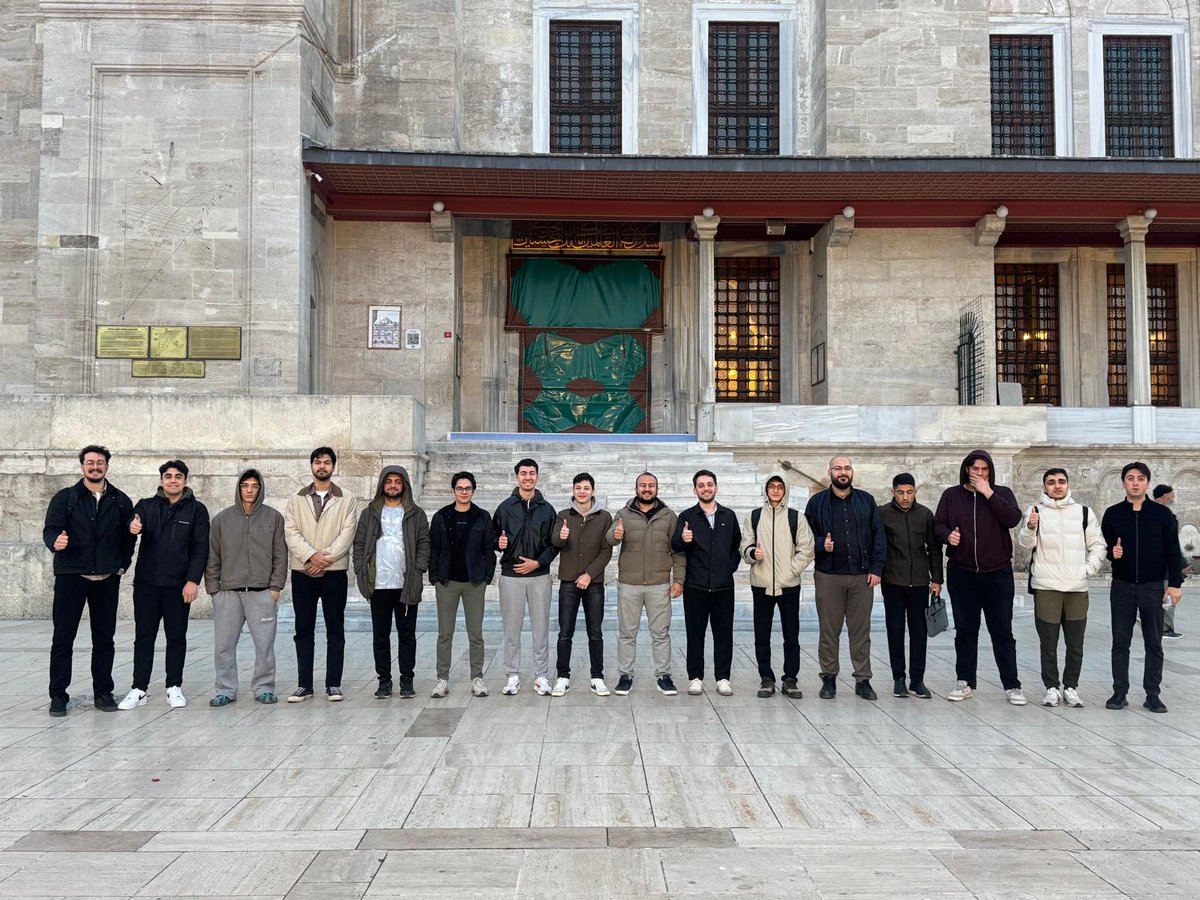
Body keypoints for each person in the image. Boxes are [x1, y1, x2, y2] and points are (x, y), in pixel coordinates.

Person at [43, 445, 136, 716]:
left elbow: (129, 538)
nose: (95, 466)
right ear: (82, 466)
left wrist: (121, 566)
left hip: (107, 578)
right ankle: (58, 695)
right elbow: (50, 528)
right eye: (90, 462)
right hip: (72, 575)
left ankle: (103, 692)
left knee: (104, 638)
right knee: (63, 637)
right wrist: (54, 542)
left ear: (107, 466)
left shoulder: (120, 500)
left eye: (100, 462)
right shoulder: (66, 498)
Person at [934, 449, 1026, 705]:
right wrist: (947, 536)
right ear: (966, 469)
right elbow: (938, 524)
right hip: (962, 573)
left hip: (997, 574)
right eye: (975, 469)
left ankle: (1012, 685)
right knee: (965, 630)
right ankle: (965, 681)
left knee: (1002, 630)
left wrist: (988, 492)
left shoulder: (1002, 494)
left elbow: (1012, 519)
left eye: (984, 470)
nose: (979, 473)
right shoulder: (952, 495)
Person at [119, 460, 210, 710]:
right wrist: (131, 526)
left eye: (178, 476)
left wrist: (193, 581)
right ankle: (139, 689)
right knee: (144, 637)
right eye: (168, 476)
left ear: (185, 481)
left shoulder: (197, 510)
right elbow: (129, 526)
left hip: (178, 586)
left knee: (176, 637)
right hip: (147, 584)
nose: (173, 480)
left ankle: (174, 686)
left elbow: (201, 548)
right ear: (161, 480)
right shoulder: (146, 506)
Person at [1017, 468, 1105, 708]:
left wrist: (1086, 570)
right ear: (1044, 487)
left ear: (1068, 484)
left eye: (1061, 481)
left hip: (1076, 588)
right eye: (1051, 482)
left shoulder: (1084, 512)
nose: (1057, 486)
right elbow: (1025, 543)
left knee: (1075, 643)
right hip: (1047, 586)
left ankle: (1071, 687)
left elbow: (1099, 545)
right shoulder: (1035, 511)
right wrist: (1031, 527)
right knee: (1049, 643)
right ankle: (1052, 687)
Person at [1102, 462, 1185, 713]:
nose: (1135, 482)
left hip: (1152, 587)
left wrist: (1174, 585)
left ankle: (1153, 694)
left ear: (1147, 483)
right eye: (1130, 478)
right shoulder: (1113, 513)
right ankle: (1119, 692)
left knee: (1153, 642)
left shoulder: (1161, 515)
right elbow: (1103, 546)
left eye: (1140, 478)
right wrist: (1111, 553)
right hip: (1123, 586)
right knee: (1120, 642)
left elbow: (1173, 550)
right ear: (1123, 482)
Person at [804, 456, 885, 701]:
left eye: (846, 468)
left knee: (861, 631)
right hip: (829, 576)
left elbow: (878, 537)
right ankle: (828, 678)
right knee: (829, 631)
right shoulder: (816, 503)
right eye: (838, 468)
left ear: (852, 472)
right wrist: (821, 544)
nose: (843, 472)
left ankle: (863, 680)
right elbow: (805, 537)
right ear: (829, 472)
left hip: (862, 576)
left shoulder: (866, 501)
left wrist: (876, 569)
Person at [206, 468, 288, 706]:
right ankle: (225, 689)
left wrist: (275, 587)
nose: (249, 490)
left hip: (261, 593)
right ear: (239, 488)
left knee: (264, 646)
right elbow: (213, 556)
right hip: (228, 593)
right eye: (245, 486)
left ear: (260, 489)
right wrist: (214, 590)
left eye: (254, 486)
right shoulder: (222, 519)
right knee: (223, 646)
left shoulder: (273, 518)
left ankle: (263, 687)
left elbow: (280, 556)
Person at [284, 447, 358, 702]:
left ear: (334, 467)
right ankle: (304, 684)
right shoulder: (296, 498)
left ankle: (333, 684)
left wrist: (323, 559)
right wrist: (309, 557)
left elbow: (347, 534)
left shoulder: (347, 498)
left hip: (334, 572)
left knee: (334, 628)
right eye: (318, 462)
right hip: (303, 571)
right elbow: (291, 532)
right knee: (303, 628)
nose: (322, 466)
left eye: (327, 462)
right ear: (312, 466)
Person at [353, 465, 429, 700]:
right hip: (379, 585)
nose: (393, 485)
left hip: (405, 583)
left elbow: (424, 543)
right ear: (382, 485)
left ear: (404, 485)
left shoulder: (416, 513)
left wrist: (418, 570)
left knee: (407, 635)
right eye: (389, 481)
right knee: (380, 636)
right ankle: (384, 681)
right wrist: (360, 569)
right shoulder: (370, 513)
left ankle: (407, 680)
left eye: (398, 481)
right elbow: (359, 544)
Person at [606, 472, 685, 696]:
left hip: (659, 584)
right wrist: (617, 533)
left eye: (651, 485)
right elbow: (610, 539)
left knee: (661, 633)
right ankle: (625, 675)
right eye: (643, 485)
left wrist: (678, 580)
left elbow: (678, 550)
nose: (647, 489)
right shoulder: (623, 514)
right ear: (636, 489)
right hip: (629, 584)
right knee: (627, 633)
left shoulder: (669, 516)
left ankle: (663, 676)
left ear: (657, 489)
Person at [739, 474, 814, 699]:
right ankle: (766, 678)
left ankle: (790, 679)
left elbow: (807, 548)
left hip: (788, 585)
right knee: (762, 635)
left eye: (779, 487)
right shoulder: (753, 516)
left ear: (785, 490)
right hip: (761, 584)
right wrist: (753, 553)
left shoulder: (795, 518)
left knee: (791, 635)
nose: (775, 490)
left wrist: (791, 570)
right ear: (766, 489)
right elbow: (744, 546)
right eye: (771, 487)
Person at [671, 470, 741, 696]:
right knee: (695, 633)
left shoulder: (728, 516)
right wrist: (683, 539)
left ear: (716, 488)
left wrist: (728, 567)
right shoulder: (687, 516)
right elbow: (675, 545)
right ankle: (695, 677)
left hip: (723, 587)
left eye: (709, 484)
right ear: (695, 491)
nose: (706, 488)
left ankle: (723, 677)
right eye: (701, 485)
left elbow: (736, 547)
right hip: (696, 586)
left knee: (723, 634)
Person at [493, 458, 558, 696]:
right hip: (511, 577)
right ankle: (512, 676)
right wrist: (497, 543)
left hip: (539, 576)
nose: (528, 477)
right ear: (517, 476)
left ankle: (541, 675)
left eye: (532, 473)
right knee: (512, 629)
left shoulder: (547, 509)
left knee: (540, 628)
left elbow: (554, 545)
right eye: (523, 473)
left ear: (537, 477)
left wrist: (538, 563)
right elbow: (492, 536)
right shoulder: (504, 507)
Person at [428, 471, 495, 699]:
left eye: (468, 488)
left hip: (474, 582)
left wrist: (486, 577)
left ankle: (477, 677)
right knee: (444, 633)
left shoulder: (482, 517)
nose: (464, 492)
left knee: (475, 633)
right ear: (453, 491)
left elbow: (489, 549)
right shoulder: (441, 516)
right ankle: (442, 679)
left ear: (473, 491)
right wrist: (435, 578)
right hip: (447, 582)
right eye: (460, 488)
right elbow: (434, 548)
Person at [878, 473, 942, 700]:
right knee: (895, 631)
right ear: (893, 492)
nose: (905, 497)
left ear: (915, 491)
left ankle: (917, 680)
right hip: (892, 581)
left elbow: (934, 549)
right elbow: (878, 546)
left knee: (919, 632)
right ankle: (899, 679)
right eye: (900, 492)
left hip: (919, 583)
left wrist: (937, 579)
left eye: (909, 492)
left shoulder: (925, 514)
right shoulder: (882, 513)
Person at [550, 473, 614, 697]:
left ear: (593, 491)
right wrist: (562, 536)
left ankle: (597, 677)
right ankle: (562, 676)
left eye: (586, 488)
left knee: (595, 632)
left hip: (594, 583)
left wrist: (589, 574)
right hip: (568, 581)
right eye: (578, 488)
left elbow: (607, 551)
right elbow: (555, 541)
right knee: (565, 632)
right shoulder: (563, 515)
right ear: (573, 490)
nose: (582, 492)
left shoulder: (604, 517)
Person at [1153, 484, 1184, 639]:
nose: (1173, 499)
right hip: (1164, 567)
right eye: (1171, 496)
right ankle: (1165, 628)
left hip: (1161, 567)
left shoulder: (1152, 512)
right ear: (1164, 496)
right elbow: (1171, 546)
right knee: (1168, 597)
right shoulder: (1161, 515)